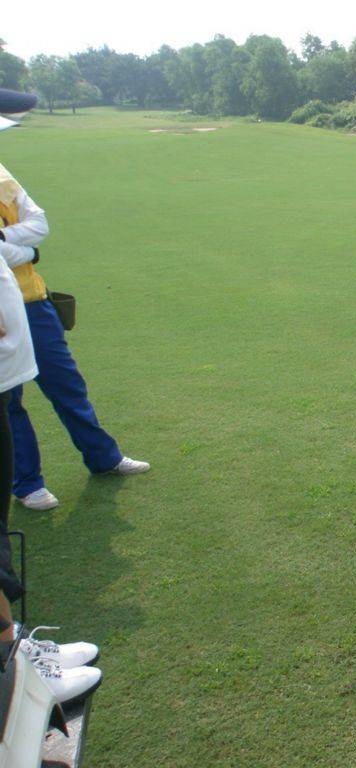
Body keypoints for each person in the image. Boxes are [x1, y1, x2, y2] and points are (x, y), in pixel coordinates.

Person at [0, 88, 100, 705]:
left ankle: (11, 652)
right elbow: (27, 241)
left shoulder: (2, 177)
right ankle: (14, 684)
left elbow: (35, 231)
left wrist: (19, 246)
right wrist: (23, 247)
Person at [0, 162, 149, 512]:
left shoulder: (4, 180)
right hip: (3, 314)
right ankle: (28, 483)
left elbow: (40, 225)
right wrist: (29, 252)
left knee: (67, 384)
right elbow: (28, 244)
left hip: (34, 302)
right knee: (8, 401)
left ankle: (104, 458)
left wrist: (6, 239)